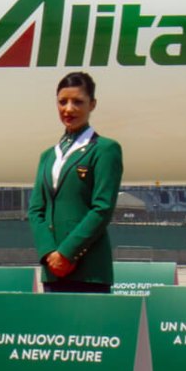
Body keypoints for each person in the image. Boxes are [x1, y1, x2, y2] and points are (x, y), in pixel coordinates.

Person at [28, 71, 124, 293]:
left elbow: (102, 208)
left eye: (78, 102)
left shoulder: (105, 149)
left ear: (93, 104)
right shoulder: (48, 156)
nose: (68, 109)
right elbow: (35, 210)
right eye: (62, 102)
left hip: (89, 271)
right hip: (53, 271)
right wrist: (49, 253)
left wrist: (67, 253)